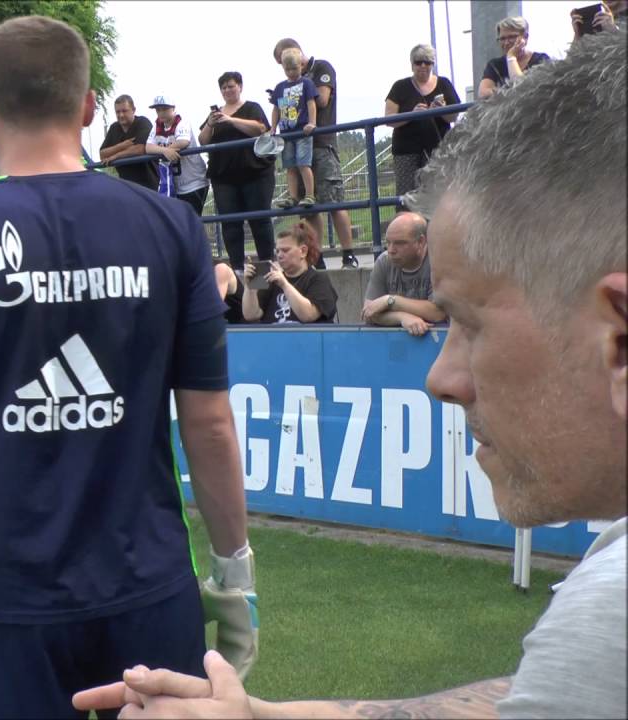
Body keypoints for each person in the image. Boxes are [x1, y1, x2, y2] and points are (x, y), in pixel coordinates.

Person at [72, 32, 627, 720]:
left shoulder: (610, 607)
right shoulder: (607, 602)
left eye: (469, 323)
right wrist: (260, 716)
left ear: (619, 340)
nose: (442, 377)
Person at [0, 16, 254, 719]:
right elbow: (211, 425)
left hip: (12, 599)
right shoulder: (172, 227)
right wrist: (233, 570)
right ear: (89, 106)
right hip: (151, 588)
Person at [272, 38, 358, 268]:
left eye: (285, 61)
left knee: (333, 202)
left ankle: (348, 253)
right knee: (307, 207)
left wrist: (297, 96)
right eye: (283, 65)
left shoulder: (321, 67)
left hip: (321, 143)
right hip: (296, 143)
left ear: (294, 52)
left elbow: (322, 100)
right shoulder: (287, 82)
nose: (286, 68)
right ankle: (315, 258)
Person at [201, 72, 276, 271]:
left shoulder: (251, 108)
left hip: (255, 173)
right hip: (224, 176)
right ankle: (237, 268)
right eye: (224, 87)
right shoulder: (215, 115)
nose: (227, 90)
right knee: (230, 223)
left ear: (240, 87)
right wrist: (210, 123)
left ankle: (268, 265)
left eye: (231, 86)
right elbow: (203, 140)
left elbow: (260, 128)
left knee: (259, 220)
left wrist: (231, 120)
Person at [385, 45, 461, 198]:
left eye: (428, 62)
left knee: (439, 194)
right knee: (407, 196)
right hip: (406, 152)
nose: (423, 66)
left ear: (433, 64)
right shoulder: (400, 86)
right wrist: (411, 115)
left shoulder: (444, 84)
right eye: (418, 62)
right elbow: (388, 119)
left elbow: (454, 117)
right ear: (412, 64)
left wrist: (441, 110)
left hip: (438, 150)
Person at [361, 212, 444, 335]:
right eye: (388, 242)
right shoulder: (384, 261)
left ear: (421, 242)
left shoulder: (438, 262)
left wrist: (391, 301)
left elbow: (438, 313)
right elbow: (368, 313)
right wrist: (402, 317)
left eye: (400, 243)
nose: (391, 250)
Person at [242, 223, 337, 324]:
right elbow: (251, 315)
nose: (279, 255)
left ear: (303, 251)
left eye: (285, 250)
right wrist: (250, 287)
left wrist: (284, 285)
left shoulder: (318, 279)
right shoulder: (271, 279)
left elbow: (309, 315)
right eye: (277, 251)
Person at [270, 48, 318, 209]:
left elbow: (311, 104)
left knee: (303, 163)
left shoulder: (306, 83)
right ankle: (292, 196)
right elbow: (276, 109)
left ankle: (309, 195)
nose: (291, 72)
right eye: (287, 69)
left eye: (294, 68)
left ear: (301, 66)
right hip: (286, 133)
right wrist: (273, 128)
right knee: (289, 166)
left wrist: (312, 123)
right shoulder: (279, 87)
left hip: (302, 131)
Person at [145, 95, 210, 214]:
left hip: (194, 182)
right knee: (179, 221)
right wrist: (165, 151)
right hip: (175, 186)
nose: (161, 113)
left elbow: (183, 141)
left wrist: (164, 150)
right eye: (158, 110)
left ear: (173, 108)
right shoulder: (156, 126)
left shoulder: (182, 122)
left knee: (191, 219)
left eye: (165, 109)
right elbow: (148, 147)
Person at [477, 17, 551, 100]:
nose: (506, 42)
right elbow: (483, 93)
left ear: (525, 37)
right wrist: (510, 92)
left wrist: (511, 57)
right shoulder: (495, 65)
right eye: (502, 39)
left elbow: (521, 89)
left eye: (512, 37)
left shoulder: (541, 60)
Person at [99, 94, 158, 191]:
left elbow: (140, 149)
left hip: (149, 185)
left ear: (133, 110)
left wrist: (115, 156)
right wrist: (122, 145)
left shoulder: (143, 122)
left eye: (124, 111)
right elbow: (103, 155)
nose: (121, 115)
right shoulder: (114, 128)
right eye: (118, 112)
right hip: (127, 187)